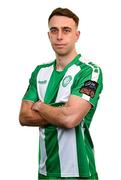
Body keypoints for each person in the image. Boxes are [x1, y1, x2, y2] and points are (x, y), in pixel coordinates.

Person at [19, 7, 103, 180]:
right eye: (54, 30)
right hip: (45, 172)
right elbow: (24, 117)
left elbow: (70, 119)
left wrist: (41, 106)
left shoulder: (89, 72)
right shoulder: (39, 72)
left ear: (76, 35)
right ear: (48, 35)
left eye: (66, 30)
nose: (59, 36)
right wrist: (62, 110)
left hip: (80, 173)